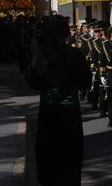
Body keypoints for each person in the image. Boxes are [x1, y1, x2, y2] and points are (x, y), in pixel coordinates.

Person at [25, 16, 91, 186]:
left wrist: (48, 87)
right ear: (66, 34)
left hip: (49, 108)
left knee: (49, 148)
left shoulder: (41, 54)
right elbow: (86, 81)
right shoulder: (75, 54)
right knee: (71, 150)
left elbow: (32, 79)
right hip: (70, 110)